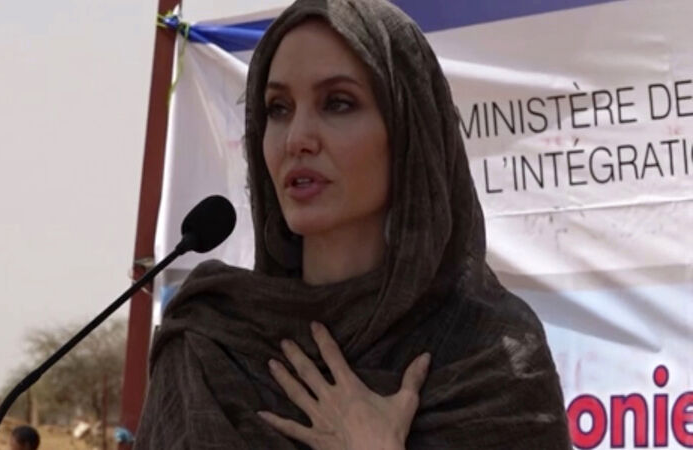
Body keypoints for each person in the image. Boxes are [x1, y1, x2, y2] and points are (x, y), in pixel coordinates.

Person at [134, 0, 571, 448]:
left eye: (338, 103)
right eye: (278, 108)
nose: (297, 139)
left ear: (408, 132)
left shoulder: (492, 359)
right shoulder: (209, 346)